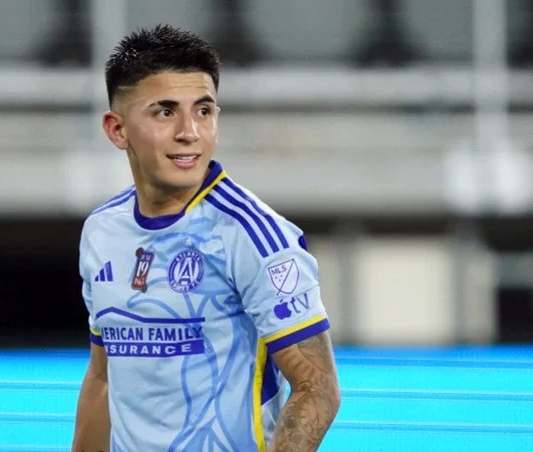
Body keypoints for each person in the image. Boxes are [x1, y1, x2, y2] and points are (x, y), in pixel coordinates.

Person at [72, 24, 341, 452]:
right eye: (165, 112)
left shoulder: (254, 236)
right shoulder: (101, 231)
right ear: (117, 129)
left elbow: (317, 387)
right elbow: (104, 378)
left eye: (203, 110)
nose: (190, 132)